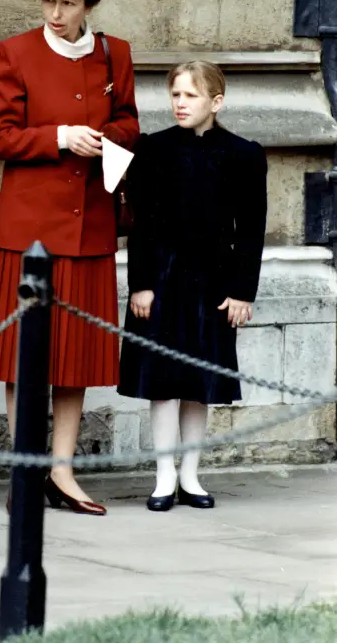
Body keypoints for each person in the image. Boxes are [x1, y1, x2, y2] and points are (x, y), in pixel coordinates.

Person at [0, 0, 140, 515]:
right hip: (28, 232)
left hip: (90, 225)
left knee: (76, 360)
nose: (55, 13)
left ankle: (62, 473)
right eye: (49, 1)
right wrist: (59, 137)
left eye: (67, 2)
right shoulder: (14, 53)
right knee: (23, 357)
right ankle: (26, 470)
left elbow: (129, 122)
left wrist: (107, 137)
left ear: (89, 1)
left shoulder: (116, 54)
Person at [118, 61, 267, 511]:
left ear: (216, 102)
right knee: (163, 380)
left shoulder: (243, 154)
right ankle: (164, 475)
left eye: (191, 95)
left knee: (199, 382)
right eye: (175, 94)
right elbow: (141, 225)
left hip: (213, 284)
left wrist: (242, 291)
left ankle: (190, 474)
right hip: (162, 280)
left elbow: (251, 229)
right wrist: (141, 284)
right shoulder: (153, 150)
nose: (180, 103)